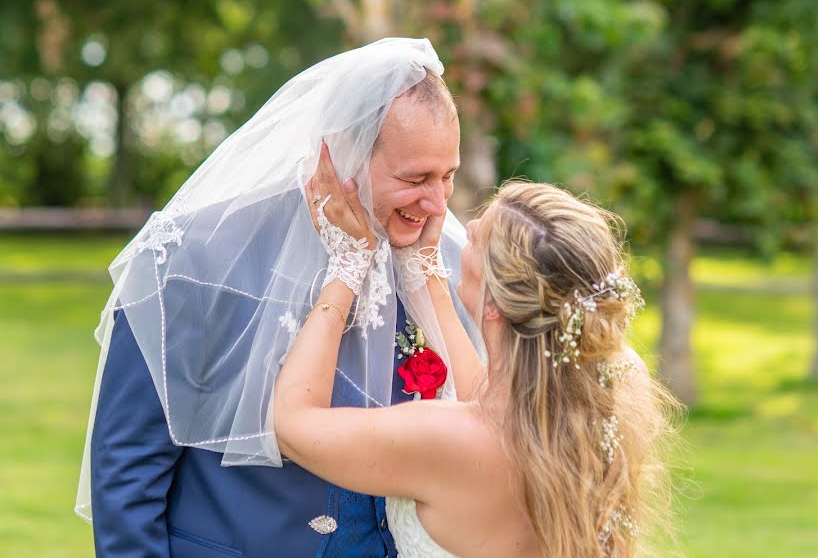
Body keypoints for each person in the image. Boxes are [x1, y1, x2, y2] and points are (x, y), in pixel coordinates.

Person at [77, 38, 482, 557]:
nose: (437, 203)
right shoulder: (193, 257)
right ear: (343, 155)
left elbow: (489, 431)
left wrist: (427, 280)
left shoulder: (441, 257)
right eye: (416, 178)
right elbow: (126, 471)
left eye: (448, 176)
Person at [274, 176, 681, 557]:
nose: (465, 229)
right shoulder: (615, 384)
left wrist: (347, 264)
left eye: (481, 237)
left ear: (493, 306)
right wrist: (429, 272)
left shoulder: (438, 437)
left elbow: (293, 425)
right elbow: (487, 393)